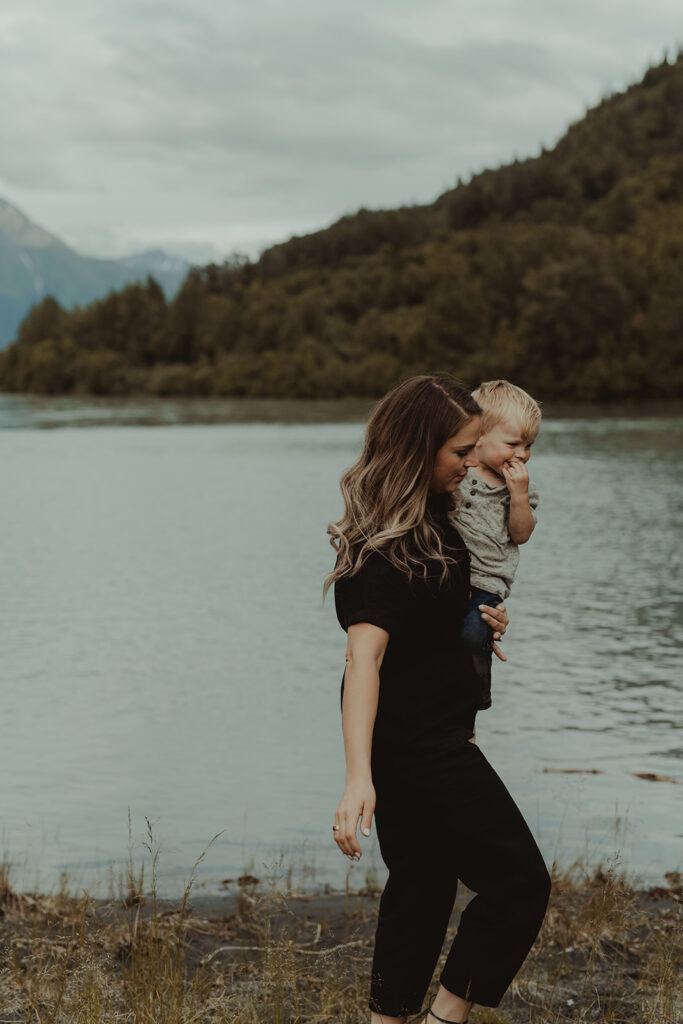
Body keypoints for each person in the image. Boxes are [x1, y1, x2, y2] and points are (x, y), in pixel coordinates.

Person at [326, 376, 550, 1024]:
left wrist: (482, 622)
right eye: (459, 450)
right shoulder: (386, 547)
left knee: (421, 888)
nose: (469, 462)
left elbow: (440, 615)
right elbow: (362, 660)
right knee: (519, 882)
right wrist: (356, 779)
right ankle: (442, 1018)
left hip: (434, 733)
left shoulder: (434, 517)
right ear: (419, 449)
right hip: (418, 745)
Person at [455, 379, 542, 711]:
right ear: (479, 436)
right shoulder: (459, 472)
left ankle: (476, 699)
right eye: (513, 444)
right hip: (450, 576)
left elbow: (521, 534)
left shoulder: (518, 487)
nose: (522, 454)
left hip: (486, 584)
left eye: (529, 445)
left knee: (474, 634)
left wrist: (518, 495)